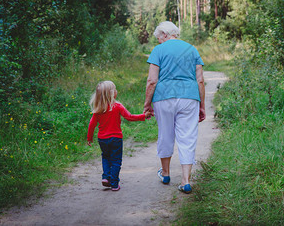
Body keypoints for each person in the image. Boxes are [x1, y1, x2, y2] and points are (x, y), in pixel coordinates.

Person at [144, 21, 205, 194]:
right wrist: (202, 106)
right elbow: (200, 80)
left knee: (165, 134)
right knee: (187, 138)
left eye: (158, 38)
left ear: (164, 34)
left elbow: (152, 81)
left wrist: (147, 104)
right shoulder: (192, 49)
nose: (158, 42)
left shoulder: (158, 51)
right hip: (189, 98)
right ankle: (186, 181)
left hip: (164, 98)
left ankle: (165, 174)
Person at [87, 80, 151, 191]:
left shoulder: (98, 109)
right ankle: (115, 184)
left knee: (106, 157)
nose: (116, 91)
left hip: (102, 139)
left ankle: (106, 177)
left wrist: (89, 138)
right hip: (116, 138)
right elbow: (130, 117)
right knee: (116, 160)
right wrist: (143, 116)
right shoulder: (118, 106)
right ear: (111, 94)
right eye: (115, 89)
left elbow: (92, 124)